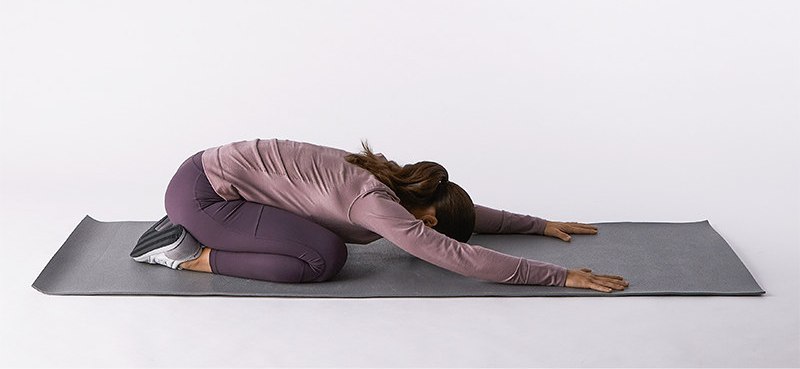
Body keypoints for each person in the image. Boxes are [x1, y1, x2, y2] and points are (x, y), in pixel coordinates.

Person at [130, 138, 628, 293]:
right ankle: (184, 253)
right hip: (204, 198)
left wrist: (538, 224)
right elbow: (455, 253)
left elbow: (463, 215)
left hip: (207, 177)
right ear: (426, 219)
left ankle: (190, 239)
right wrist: (560, 277)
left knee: (325, 245)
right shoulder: (374, 203)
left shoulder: (388, 177)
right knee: (321, 258)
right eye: (428, 225)